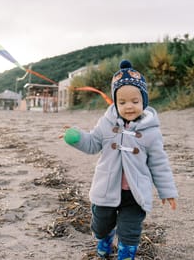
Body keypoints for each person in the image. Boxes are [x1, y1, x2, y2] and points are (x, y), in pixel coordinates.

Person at [62, 60, 178, 259]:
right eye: (122, 102)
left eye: (135, 101)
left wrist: (167, 190)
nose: (129, 107)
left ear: (144, 101)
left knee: (130, 230)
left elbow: (159, 163)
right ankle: (105, 238)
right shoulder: (106, 124)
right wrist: (77, 137)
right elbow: (92, 144)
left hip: (135, 193)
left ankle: (126, 254)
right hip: (106, 188)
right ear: (115, 102)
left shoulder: (150, 131)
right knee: (101, 224)